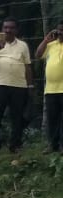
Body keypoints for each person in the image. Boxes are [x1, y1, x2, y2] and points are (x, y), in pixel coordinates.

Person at [0, 18, 33, 155]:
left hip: (19, 86)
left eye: (11, 28)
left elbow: (28, 66)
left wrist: (30, 86)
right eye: (5, 27)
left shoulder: (23, 45)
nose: (8, 30)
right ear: (2, 28)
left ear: (16, 30)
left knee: (17, 117)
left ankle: (15, 145)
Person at [35, 21, 63, 153]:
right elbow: (38, 54)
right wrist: (46, 40)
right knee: (52, 118)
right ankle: (53, 145)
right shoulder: (51, 45)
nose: (60, 33)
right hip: (51, 89)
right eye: (59, 30)